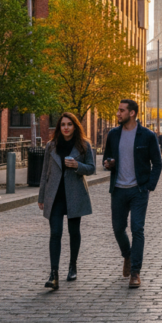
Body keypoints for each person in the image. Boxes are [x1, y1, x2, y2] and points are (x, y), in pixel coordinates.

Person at [102, 99, 162, 288]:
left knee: (137, 229)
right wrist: (108, 163)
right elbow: (106, 158)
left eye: (121, 111)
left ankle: (135, 272)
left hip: (138, 191)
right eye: (118, 110)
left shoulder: (147, 135)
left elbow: (157, 163)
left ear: (132, 113)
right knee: (118, 229)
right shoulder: (113, 134)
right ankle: (127, 255)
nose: (118, 114)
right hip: (118, 190)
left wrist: (148, 186)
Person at [36, 112, 96, 290]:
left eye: (69, 124)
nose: (66, 127)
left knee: (73, 232)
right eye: (63, 124)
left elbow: (92, 169)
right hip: (55, 196)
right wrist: (41, 197)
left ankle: (73, 265)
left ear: (75, 126)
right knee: (55, 233)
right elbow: (44, 173)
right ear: (59, 127)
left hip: (74, 195)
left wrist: (78, 166)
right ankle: (54, 274)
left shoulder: (84, 145)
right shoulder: (51, 146)